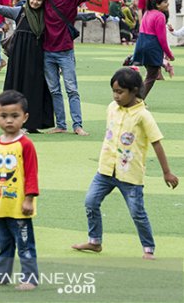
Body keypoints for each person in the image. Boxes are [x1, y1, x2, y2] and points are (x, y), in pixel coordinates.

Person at [10, 0, 134, 136]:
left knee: (71, 89)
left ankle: (77, 125)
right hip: (47, 51)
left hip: (65, 51)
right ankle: (61, 124)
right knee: (54, 90)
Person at [72, 68, 178, 259]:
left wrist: (167, 172)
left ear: (135, 90)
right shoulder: (112, 107)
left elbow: (156, 143)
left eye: (120, 92)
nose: (116, 96)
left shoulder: (143, 115)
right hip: (105, 170)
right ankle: (95, 241)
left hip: (129, 174)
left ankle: (148, 248)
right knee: (90, 202)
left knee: (137, 212)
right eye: (114, 91)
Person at [0, 90, 39, 290]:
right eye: (3, 116)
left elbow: (31, 173)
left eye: (15, 116)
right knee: (3, 241)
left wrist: (29, 199)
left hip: (18, 206)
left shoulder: (25, 145)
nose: (9, 121)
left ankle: (30, 278)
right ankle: (0, 275)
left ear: (25, 117)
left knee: (24, 243)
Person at [0, 0, 54, 133]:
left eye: (38, 0)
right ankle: (18, 124)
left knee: (36, 87)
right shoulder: (19, 11)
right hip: (19, 56)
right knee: (18, 85)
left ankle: (33, 124)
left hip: (37, 56)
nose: (35, 2)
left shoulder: (47, 14)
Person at [132, 0, 175, 99]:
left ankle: (137, 97)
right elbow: (162, 39)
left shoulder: (147, 12)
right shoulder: (160, 16)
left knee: (150, 73)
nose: (167, 4)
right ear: (157, 5)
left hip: (141, 43)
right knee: (152, 75)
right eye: (165, 2)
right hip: (152, 46)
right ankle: (138, 100)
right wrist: (169, 54)